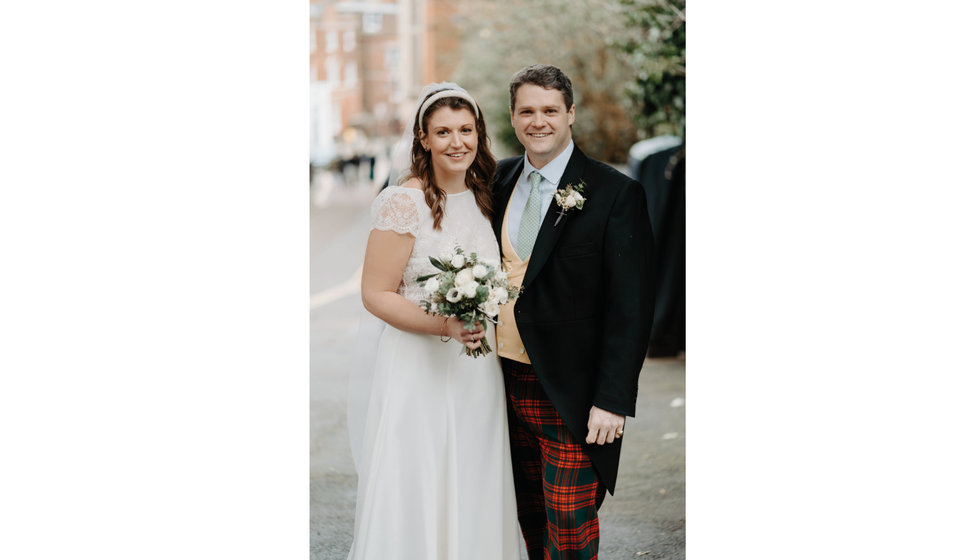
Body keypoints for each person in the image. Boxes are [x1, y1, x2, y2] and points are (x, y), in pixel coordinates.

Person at [346, 83, 521, 559]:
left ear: (479, 134)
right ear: (422, 139)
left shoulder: (486, 195)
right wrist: (443, 326)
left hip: (476, 370)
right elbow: (375, 293)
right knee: (417, 473)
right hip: (416, 366)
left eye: (466, 130)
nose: (456, 142)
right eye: (442, 132)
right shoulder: (403, 201)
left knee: (475, 471)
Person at [491, 64, 656, 559]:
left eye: (549, 110)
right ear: (514, 117)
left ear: (571, 115)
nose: (537, 122)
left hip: (574, 392)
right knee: (528, 515)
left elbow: (632, 307)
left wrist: (612, 399)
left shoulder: (615, 193)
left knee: (570, 521)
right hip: (501, 383)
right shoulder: (496, 181)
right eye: (527, 111)